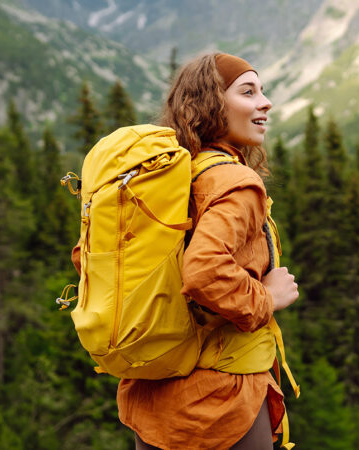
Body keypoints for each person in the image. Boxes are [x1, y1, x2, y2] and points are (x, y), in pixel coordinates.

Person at [114, 53, 300, 449]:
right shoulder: (234, 182)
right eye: (248, 91)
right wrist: (266, 297)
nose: (265, 102)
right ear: (212, 104)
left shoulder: (164, 177)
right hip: (222, 404)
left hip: (153, 398)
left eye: (262, 91)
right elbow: (203, 270)